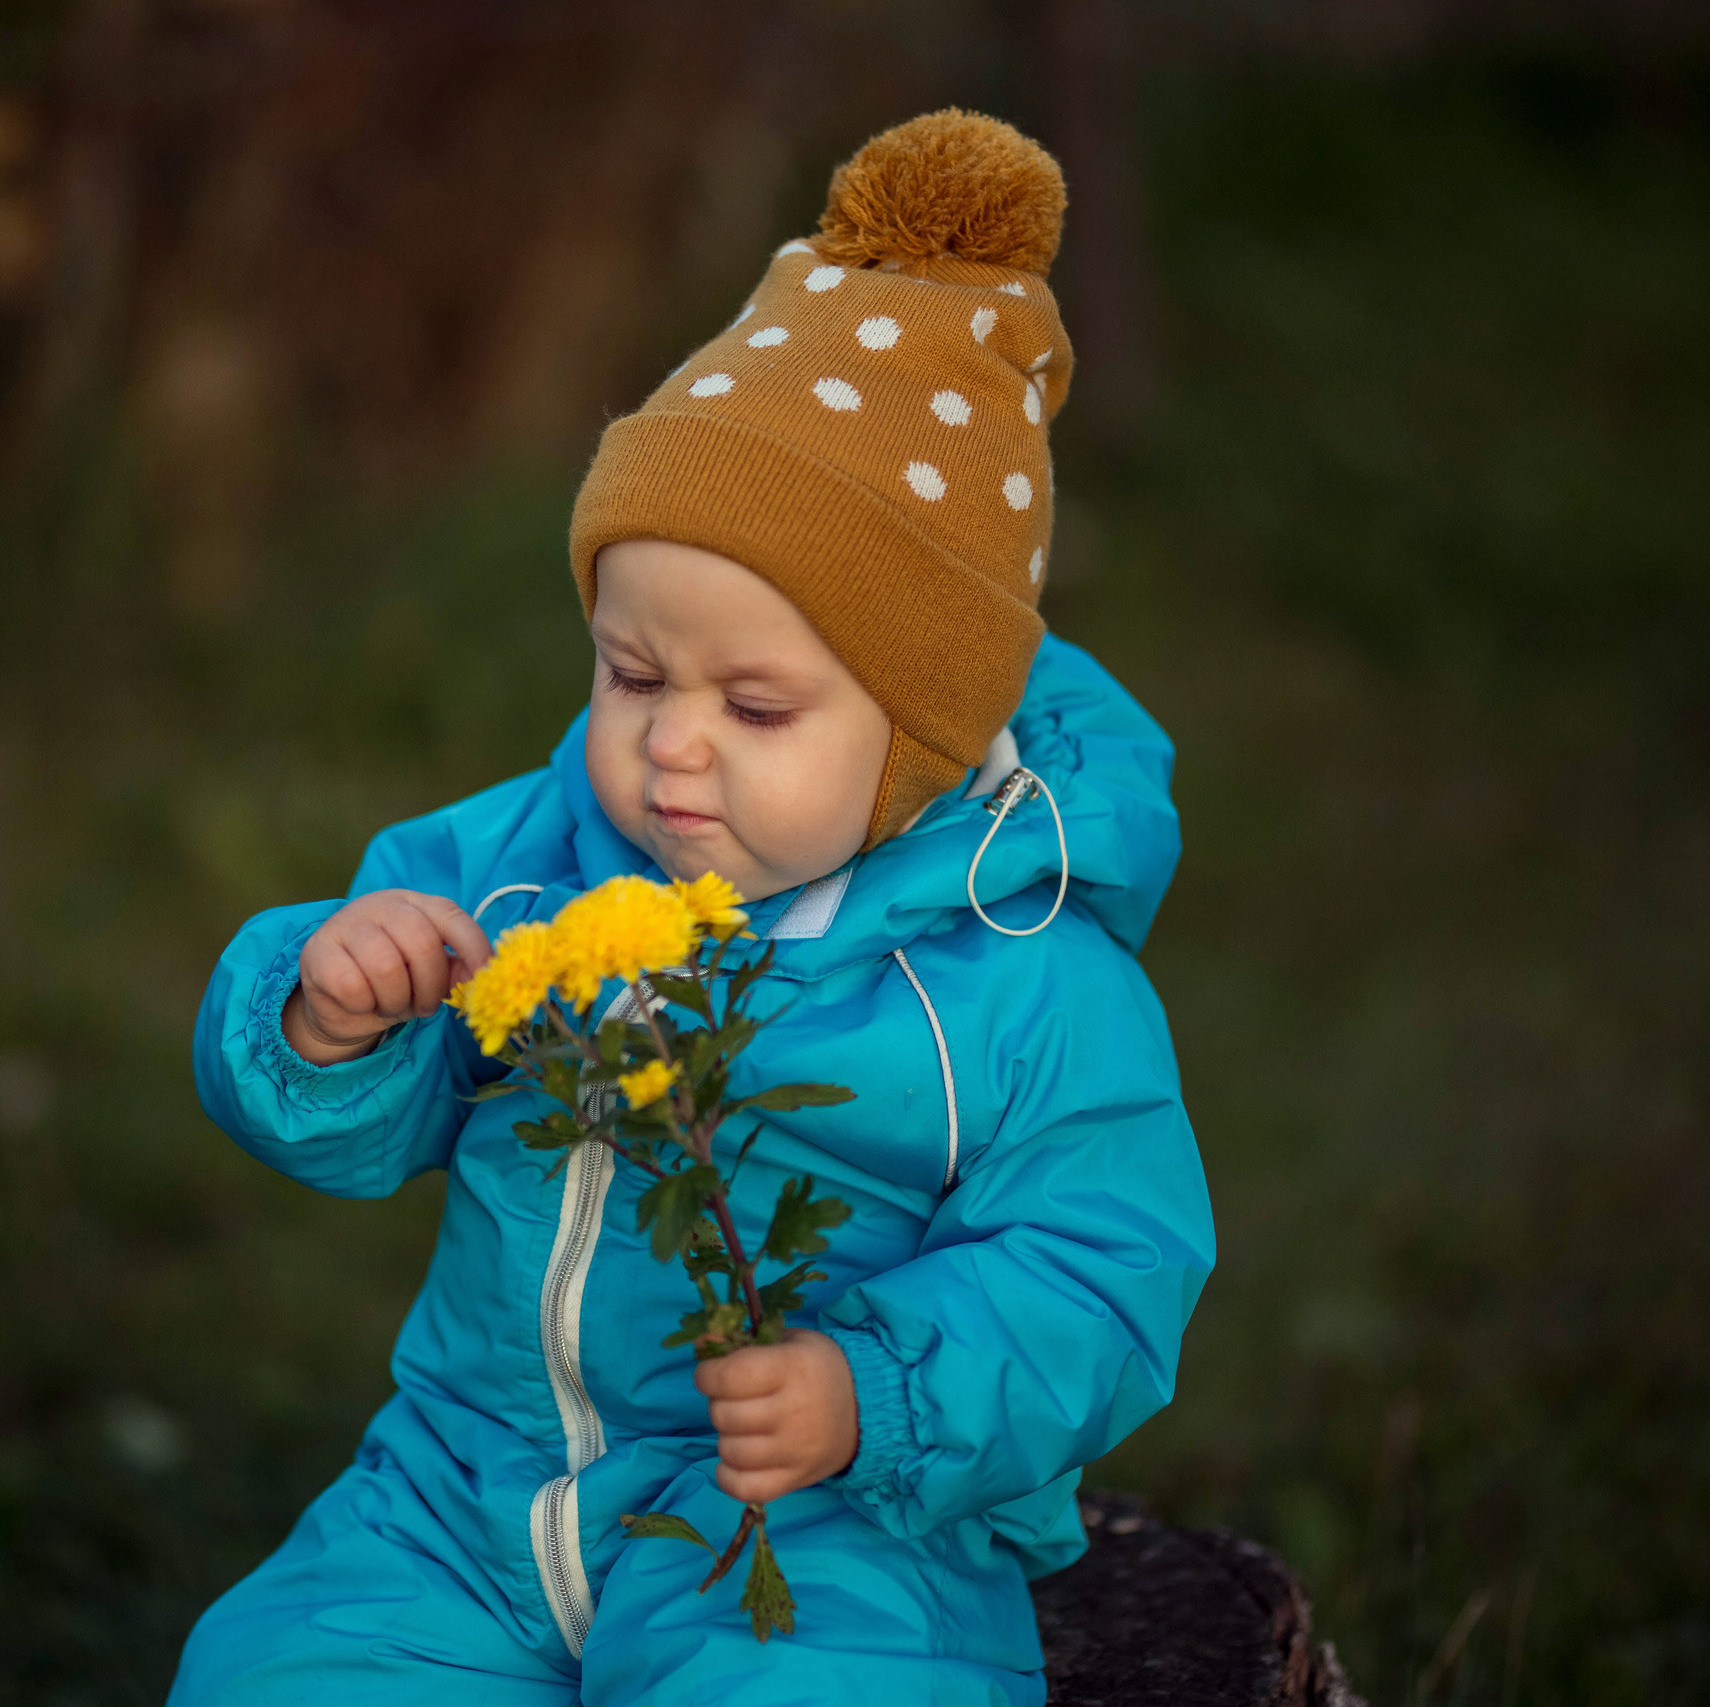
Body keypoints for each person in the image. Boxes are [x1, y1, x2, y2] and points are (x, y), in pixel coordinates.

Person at [173, 109, 1215, 1706]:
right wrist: (327, 1016)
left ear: (920, 740)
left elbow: (1106, 1257)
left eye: (758, 707)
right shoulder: (535, 858)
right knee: (283, 1676)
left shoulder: (1018, 980)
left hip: (820, 1527)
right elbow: (360, 1125)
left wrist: (874, 1392)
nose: (671, 743)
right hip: (471, 1483)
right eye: (632, 672)